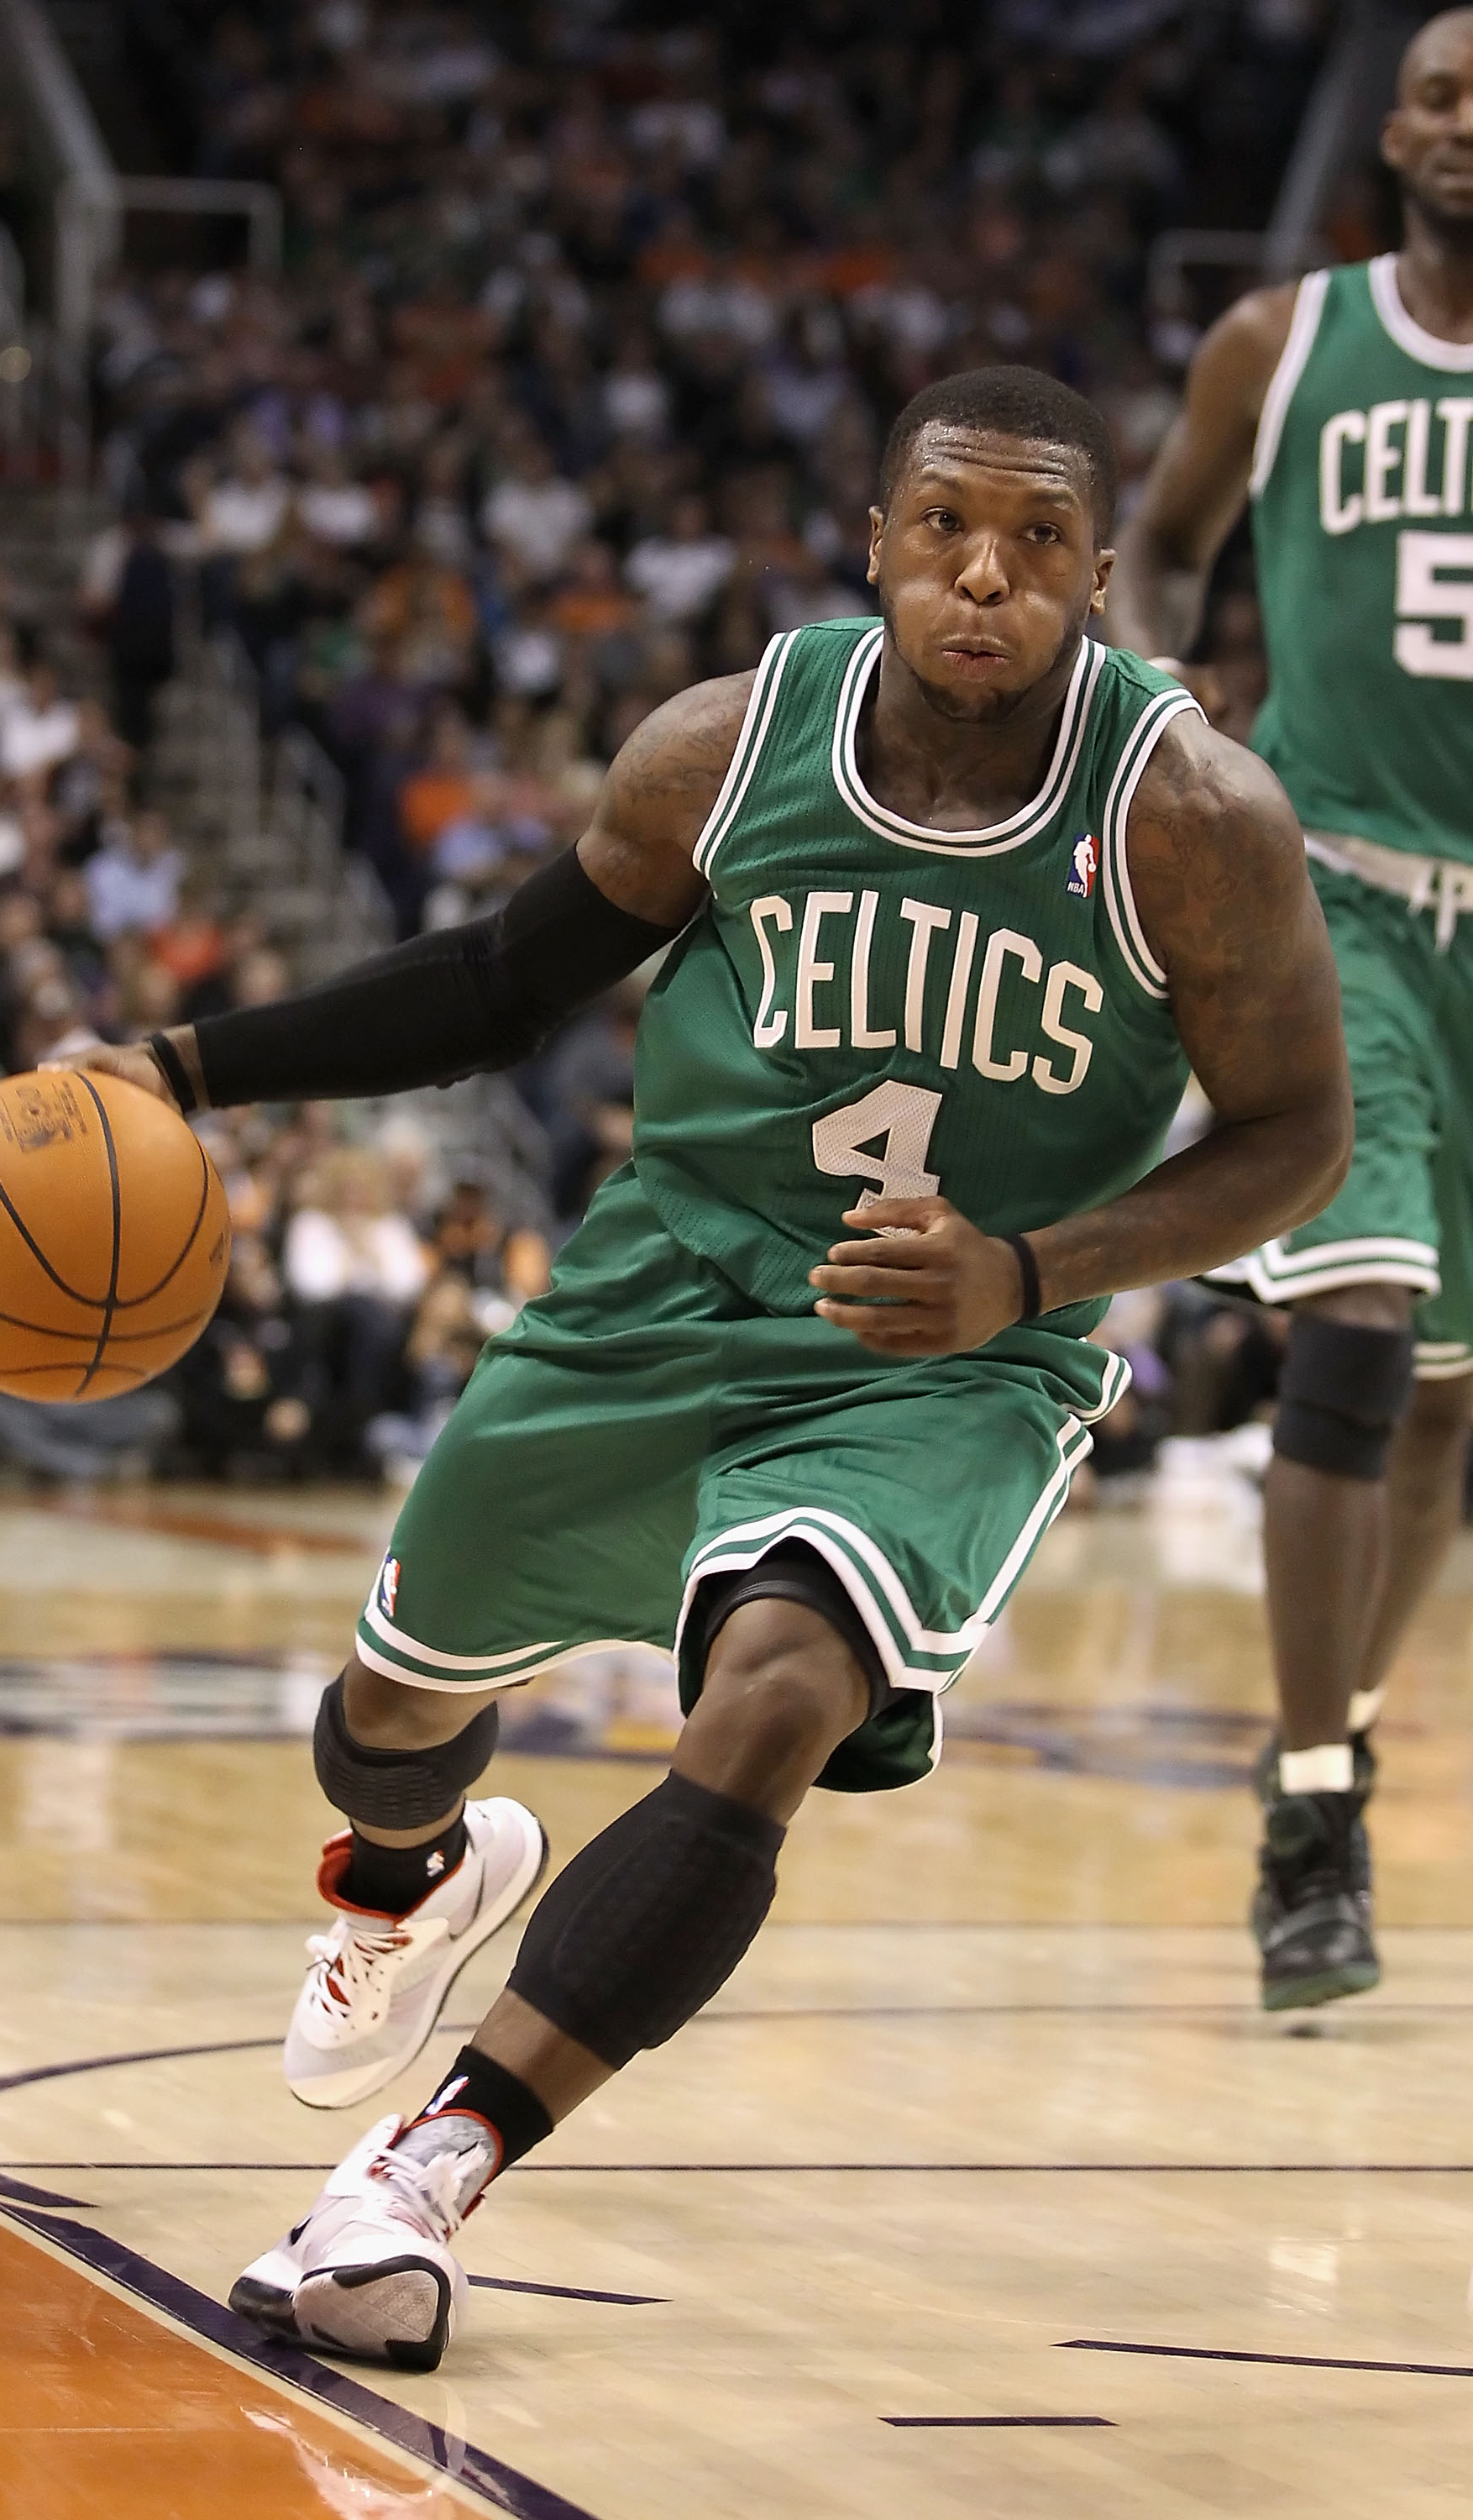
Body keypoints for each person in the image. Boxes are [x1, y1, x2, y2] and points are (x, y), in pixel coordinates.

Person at [66, 367, 1350, 2372]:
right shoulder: (726, 748)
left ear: (1101, 577)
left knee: (775, 1699)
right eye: (944, 530)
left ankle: (421, 2180)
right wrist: (184, 1068)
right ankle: (411, 1873)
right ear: (874, 543)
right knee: (387, 1715)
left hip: (940, 1356)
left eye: (1034, 543)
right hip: (665, 1283)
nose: (984, 578)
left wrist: (1033, 1270)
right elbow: (498, 985)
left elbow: (1294, 1140)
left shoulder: (1189, 815)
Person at [1108, 8, 1473, 2013]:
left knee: (1443, 1406)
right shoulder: (1286, 346)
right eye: (1436, 92)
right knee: (1355, 1331)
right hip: (1339, 896)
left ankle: (1321, 1734)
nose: (1463, 126)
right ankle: (1318, 1805)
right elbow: (1157, 551)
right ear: (1395, 129)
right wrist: (1165, 709)